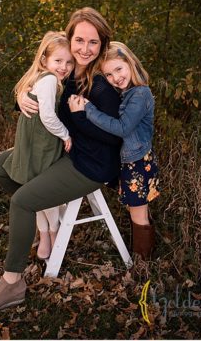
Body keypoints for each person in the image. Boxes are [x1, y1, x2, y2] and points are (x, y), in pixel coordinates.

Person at [0, 7, 122, 311]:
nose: (84, 49)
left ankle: (12, 283)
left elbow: (114, 137)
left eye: (93, 42)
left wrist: (80, 118)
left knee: (22, 202)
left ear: (102, 45)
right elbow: (45, 103)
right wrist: (21, 99)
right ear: (69, 39)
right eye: (79, 40)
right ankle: (41, 226)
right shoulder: (66, 72)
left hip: (89, 164)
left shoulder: (101, 86)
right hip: (61, 150)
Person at [73, 41, 160, 258]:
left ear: (130, 63)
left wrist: (89, 109)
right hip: (132, 161)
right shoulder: (127, 93)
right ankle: (146, 254)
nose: (116, 78)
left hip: (138, 162)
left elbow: (123, 128)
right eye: (109, 75)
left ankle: (143, 262)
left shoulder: (140, 94)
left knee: (138, 212)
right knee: (137, 209)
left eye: (119, 69)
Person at [2, 31, 75, 260]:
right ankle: (49, 232)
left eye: (69, 62)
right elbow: (48, 117)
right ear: (44, 60)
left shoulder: (46, 78)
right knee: (43, 194)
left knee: (37, 191)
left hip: (36, 143)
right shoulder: (50, 79)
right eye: (58, 60)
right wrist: (65, 135)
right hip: (41, 145)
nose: (64, 67)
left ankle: (48, 232)